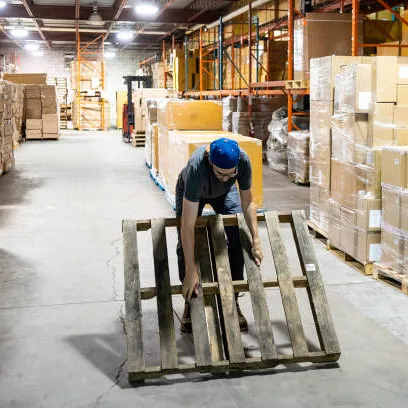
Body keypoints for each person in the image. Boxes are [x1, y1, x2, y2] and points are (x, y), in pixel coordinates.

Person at [175, 137, 263, 333]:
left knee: (238, 235)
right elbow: (188, 226)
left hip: (225, 193)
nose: (225, 177)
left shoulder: (243, 160)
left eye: (230, 174)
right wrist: (191, 269)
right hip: (193, 192)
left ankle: (232, 297)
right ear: (210, 161)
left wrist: (256, 239)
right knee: (185, 242)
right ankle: (190, 299)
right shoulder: (196, 168)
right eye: (220, 173)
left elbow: (247, 201)